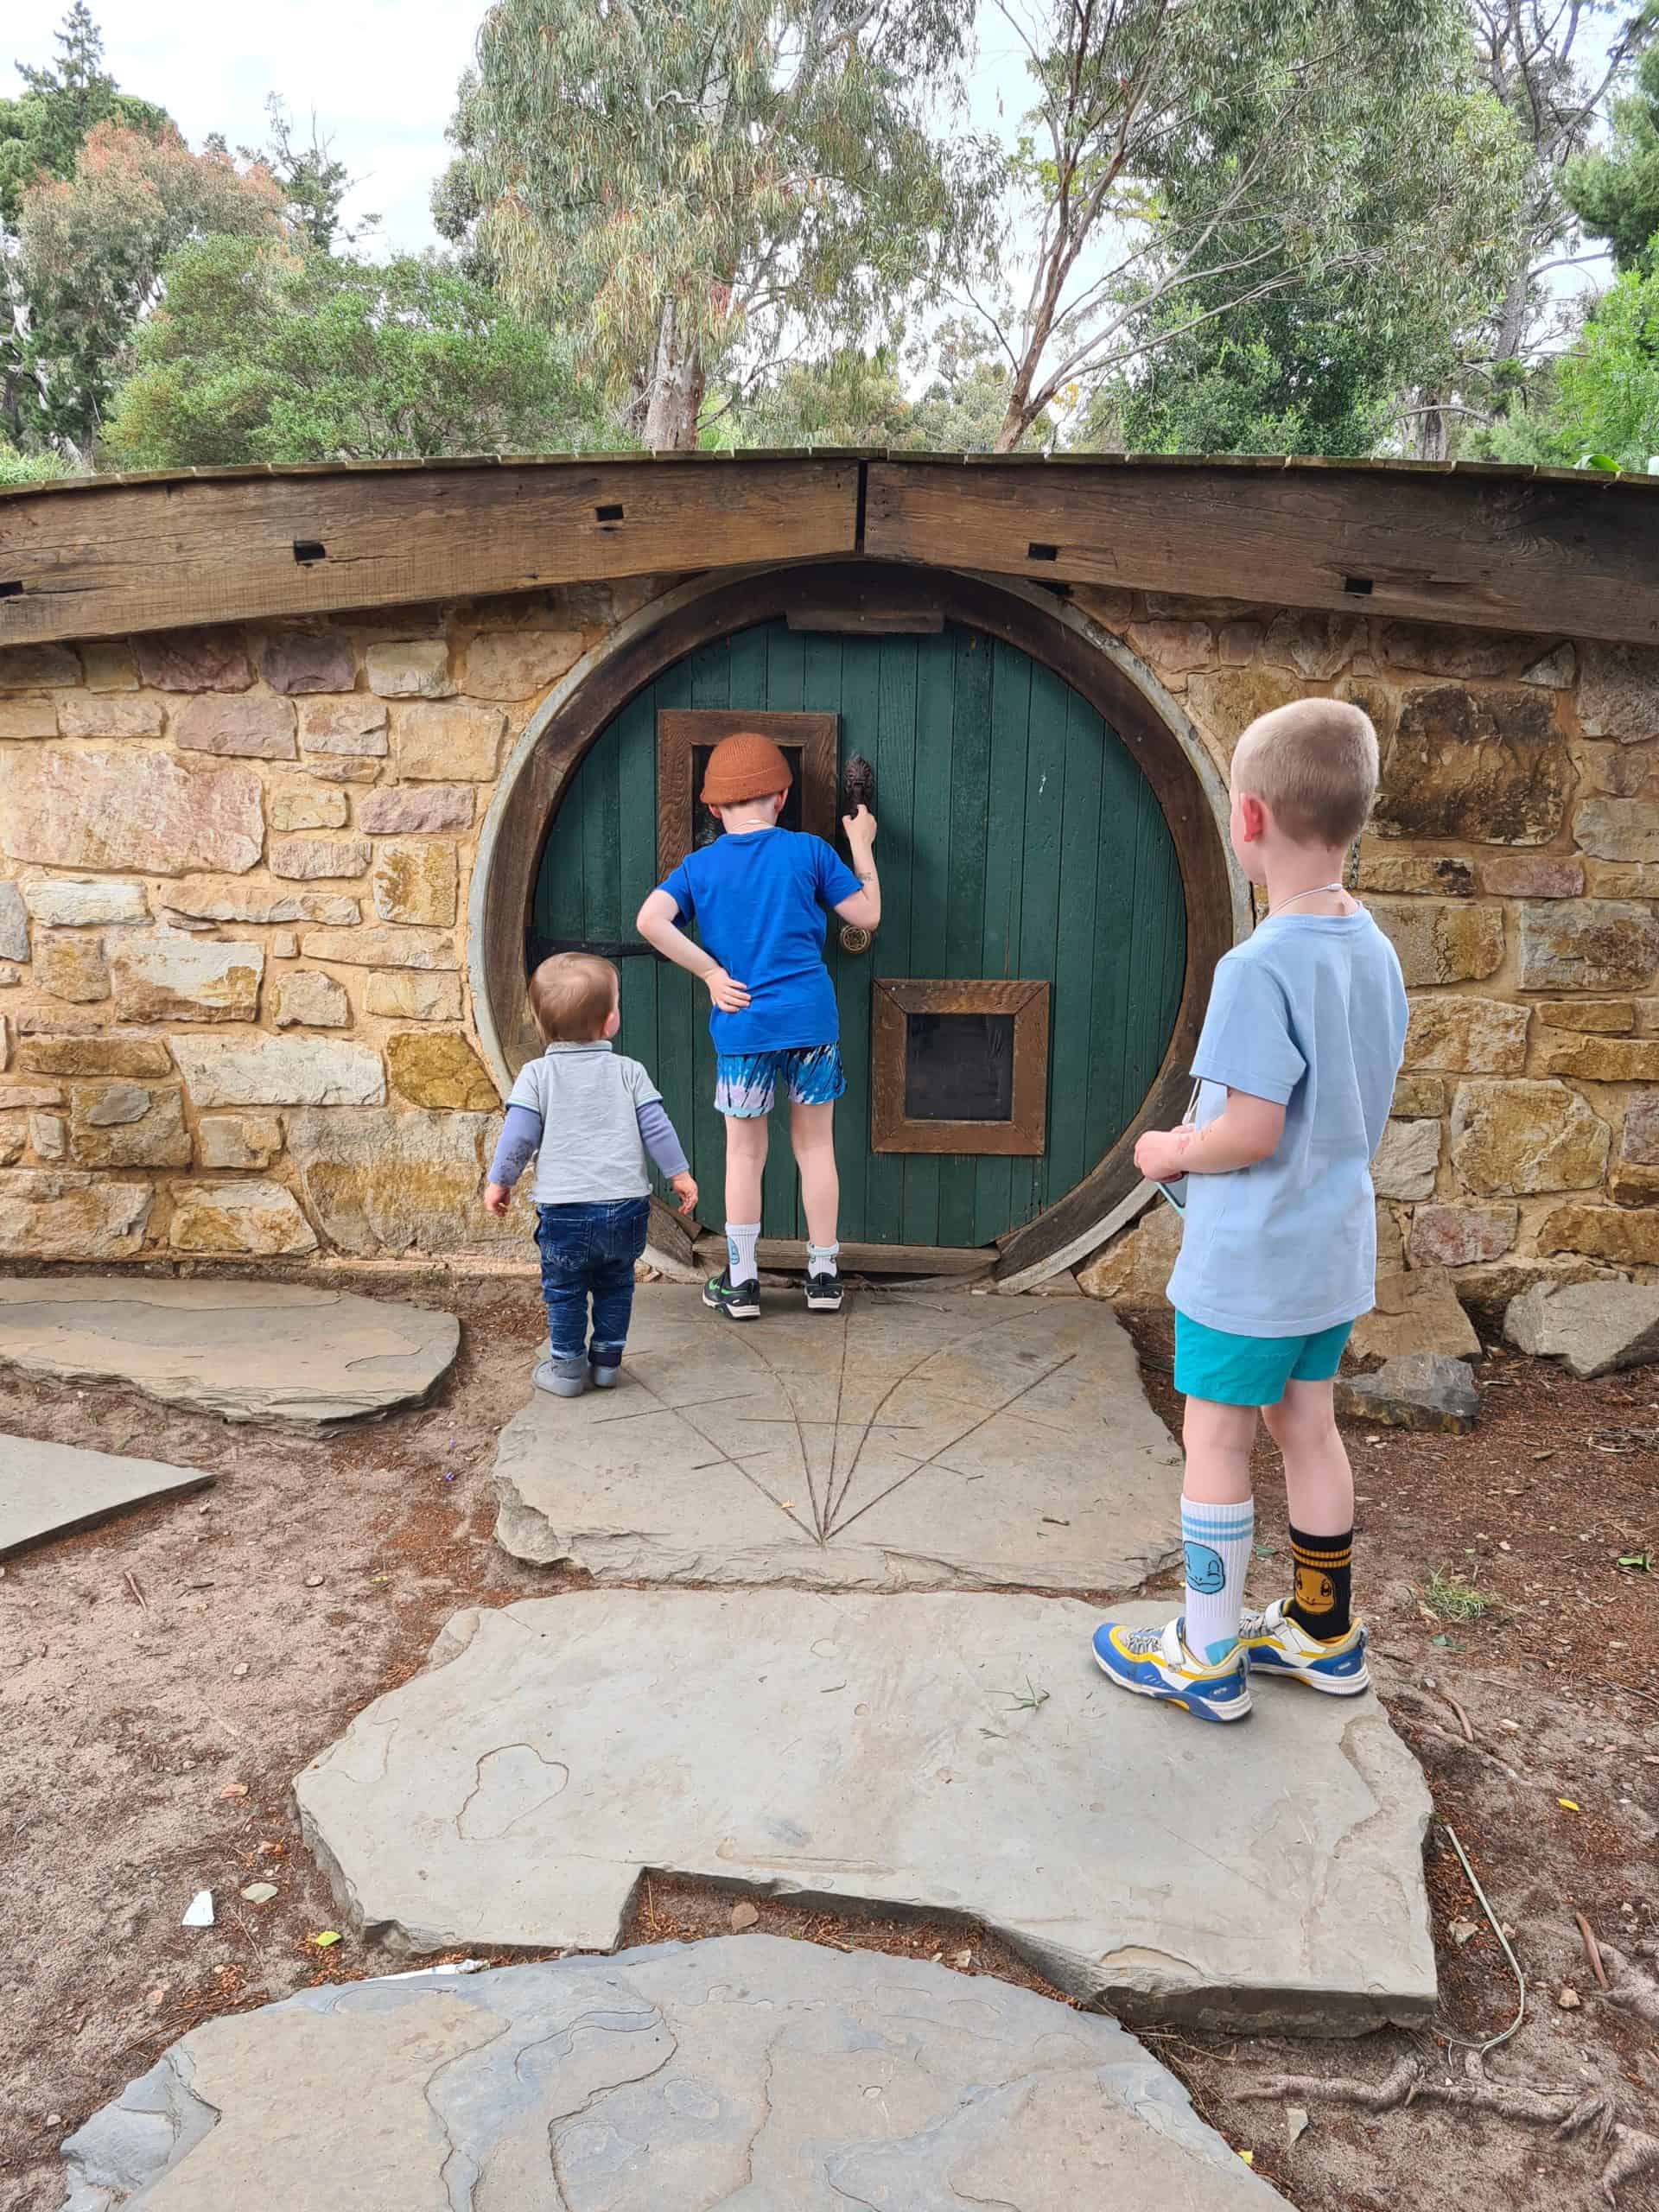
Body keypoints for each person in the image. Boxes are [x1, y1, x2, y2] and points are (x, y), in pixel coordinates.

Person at [1092, 698, 1408, 1723]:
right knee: (1307, 1426)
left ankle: (1208, 1651)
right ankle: (1323, 1632)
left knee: (1218, 1440)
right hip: (1329, 1252)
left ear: (1249, 819)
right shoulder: (1375, 950)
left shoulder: (1256, 965)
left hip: (1251, 1261)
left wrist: (1166, 1149)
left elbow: (1248, 1129)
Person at [635, 730, 879, 1319]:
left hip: (743, 1028)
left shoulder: (699, 866)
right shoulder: (811, 853)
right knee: (815, 1145)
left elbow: (650, 920)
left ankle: (741, 1282)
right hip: (810, 1022)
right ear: (783, 795)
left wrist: (711, 973)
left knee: (744, 1154)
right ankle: (823, 1275)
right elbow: (866, 916)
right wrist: (860, 843)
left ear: (713, 809)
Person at [483, 951, 696, 1396]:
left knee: (564, 1289)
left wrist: (501, 1181)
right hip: (626, 1207)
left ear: (542, 1025)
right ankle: (606, 1365)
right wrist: (679, 1174)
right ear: (611, 1021)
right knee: (616, 1284)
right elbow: (657, 1127)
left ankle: (566, 1371)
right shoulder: (629, 1072)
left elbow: (519, 1135)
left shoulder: (537, 1075)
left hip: (566, 1210)